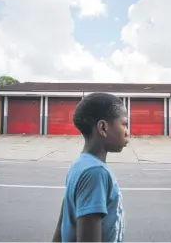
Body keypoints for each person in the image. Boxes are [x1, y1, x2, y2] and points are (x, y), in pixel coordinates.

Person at [52, 92, 129, 242]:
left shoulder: (80, 164)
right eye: (124, 124)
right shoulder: (95, 173)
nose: (127, 132)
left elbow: (62, 226)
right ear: (103, 128)